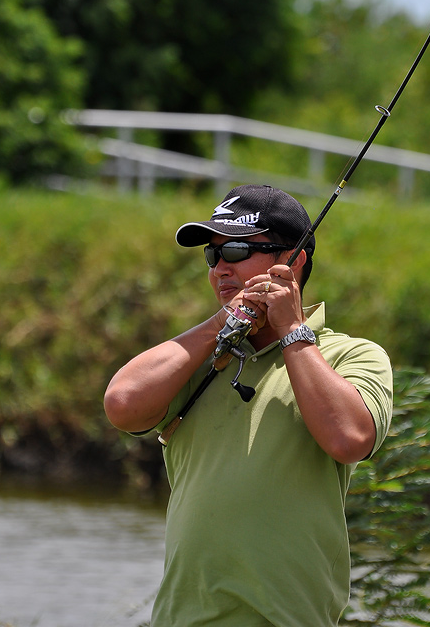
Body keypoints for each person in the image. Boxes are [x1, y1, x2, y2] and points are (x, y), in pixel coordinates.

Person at [104, 183, 393, 627]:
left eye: (236, 251)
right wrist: (222, 322)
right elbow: (123, 405)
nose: (220, 268)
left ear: (293, 262)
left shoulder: (351, 356)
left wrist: (293, 330)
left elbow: (349, 438)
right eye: (211, 255)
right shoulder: (200, 355)